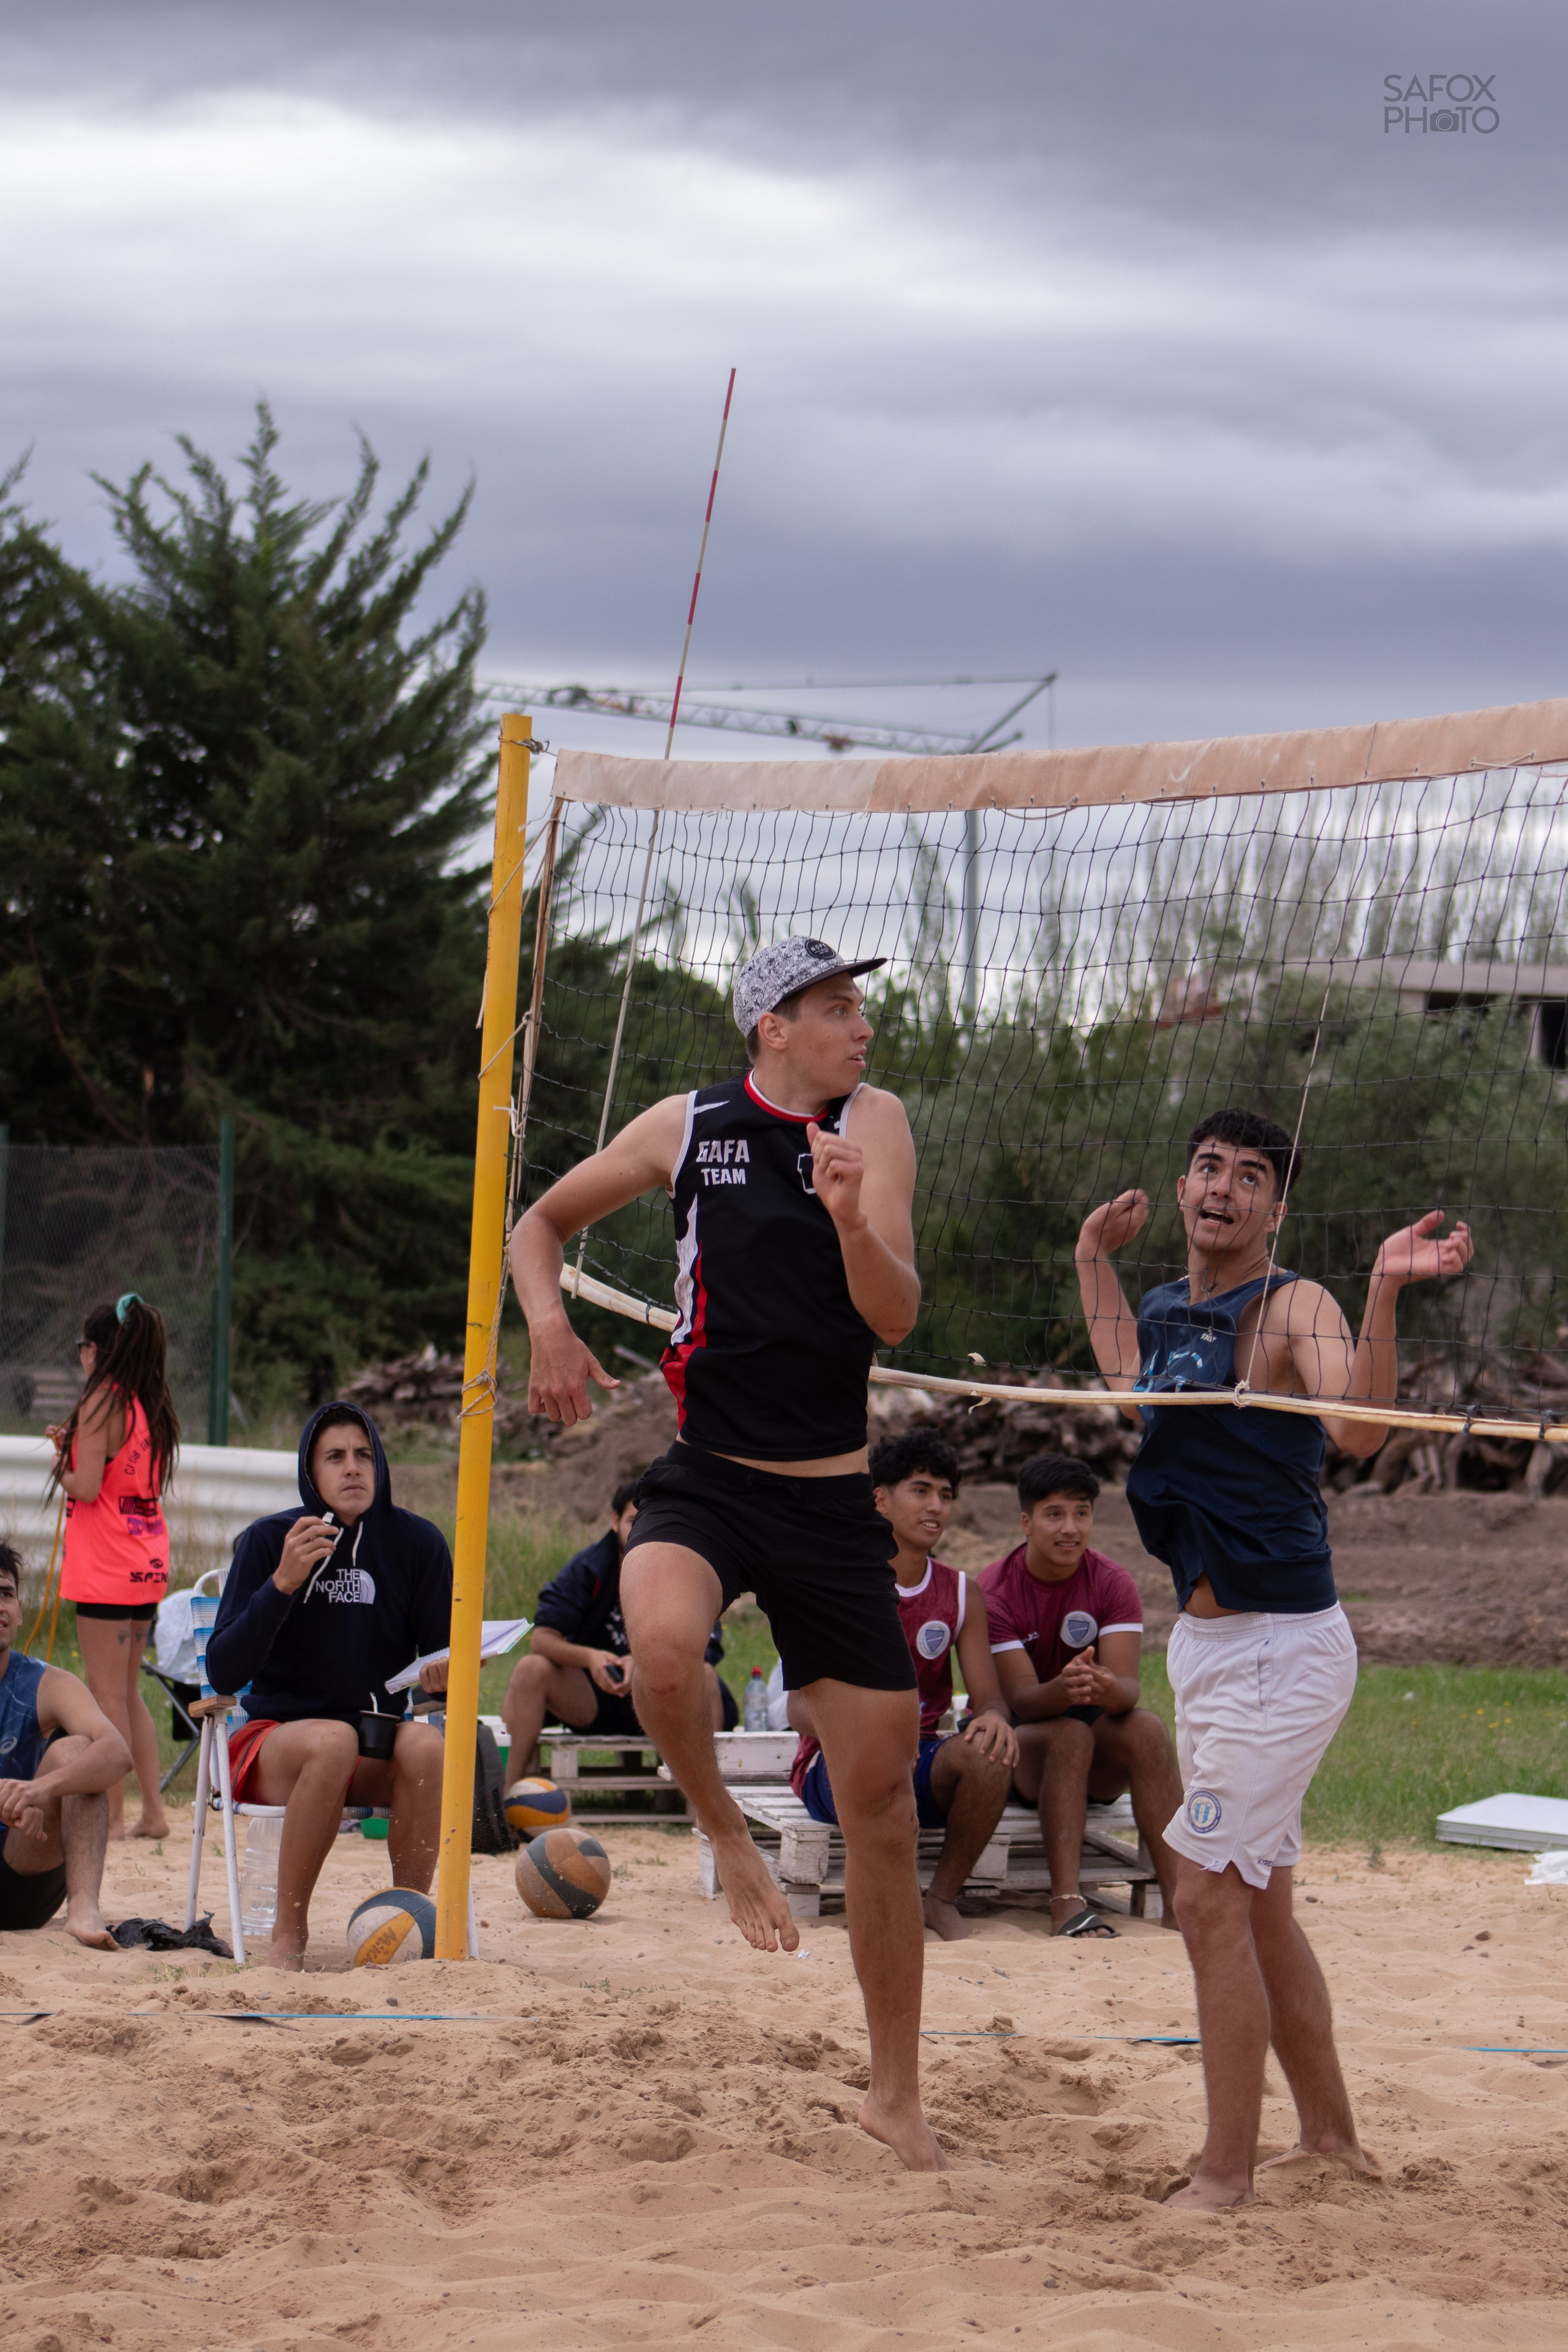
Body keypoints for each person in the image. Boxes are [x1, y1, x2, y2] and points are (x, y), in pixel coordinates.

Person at [511, 935, 946, 2171]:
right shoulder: (686, 1125)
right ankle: (723, 1840)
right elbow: (536, 1226)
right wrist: (547, 1325)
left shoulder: (878, 1124)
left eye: (861, 1005)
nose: (859, 1027)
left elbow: (896, 1312)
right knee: (655, 1650)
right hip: (705, 1476)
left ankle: (894, 2094)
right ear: (773, 1027)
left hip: (824, 1501)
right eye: (835, 1007)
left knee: (876, 1800)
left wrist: (851, 1218)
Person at [1075, 1103, 1472, 2209]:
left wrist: (1386, 1286)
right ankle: (1332, 2139)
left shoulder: (1295, 1302)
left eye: (1249, 1177)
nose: (1222, 1188)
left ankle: (1224, 2175)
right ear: (1185, 1182)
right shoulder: (1164, 1306)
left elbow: (1355, 1431)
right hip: (1208, 1650)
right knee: (1258, 1907)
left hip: (1285, 1652)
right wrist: (1088, 1256)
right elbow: (1124, 1382)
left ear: (1275, 1209)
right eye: (1208, 1167)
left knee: (1200, 1895)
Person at [206, 1404, 452, 1970]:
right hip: (271, 1744)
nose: (353, 1469)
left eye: (364, 1455)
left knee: (424, 1746)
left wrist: (446, 1677)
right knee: (330, 1741)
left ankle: (410, 1917)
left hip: (371, 1741)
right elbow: (222, 1671)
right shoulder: (271, 1540)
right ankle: (288, 1934)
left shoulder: (418, 1545)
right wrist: (283, 1583)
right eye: (335, 1457)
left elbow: (440, 1665)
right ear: (310, 1471)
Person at [788, 1430, 1017, 1942]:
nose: (936, 1506)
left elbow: (990, 1701)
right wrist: (873, 1733)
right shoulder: (833, 1583)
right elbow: (800, 1708)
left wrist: (996, 1719)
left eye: (946, 1494)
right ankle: (883, 1905)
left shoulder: (961, 1591)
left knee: (992, 1751)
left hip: (922, 1758)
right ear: (880, 1499)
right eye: (921, 1490)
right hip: (838, 1761)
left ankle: (940, 1900)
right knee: (883, 1756)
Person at [979, 1452, 1180, 1938]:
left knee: (1147, 1727)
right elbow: (1023, 1701)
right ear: (1027, 1523)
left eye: (1082, 1513)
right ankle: (1067, 1903)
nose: (1070, 1528)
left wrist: (1110, 1690)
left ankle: (1181, 1900)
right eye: (1054, 1515)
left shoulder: (1112, 1582)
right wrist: (1065, 1688)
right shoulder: (994, 1589)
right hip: (1021, 1751)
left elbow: (1128, 1691)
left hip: (1093, 1751)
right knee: (1070, 1734)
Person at [48, 1293, 179, 1841]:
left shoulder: (101, 1400)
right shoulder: (144, 1401)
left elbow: (88, 1485)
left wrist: (62, 1463)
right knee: (127, 1694)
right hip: (144, 1560)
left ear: (96, 1349)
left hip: (106, 1565)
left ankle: (116, 1816)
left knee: (105, 1697)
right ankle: (151, 1811)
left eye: (83, 1345)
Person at [500, 1477, 733, 1773]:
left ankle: (706, 1807)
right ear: (614, 1521)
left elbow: (708, 1644)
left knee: (705, 1673)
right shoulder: (589, 1568)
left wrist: (645, 1663)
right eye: (633, 1520)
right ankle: (502, 1798)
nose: (640, 1530)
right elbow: (542, 1639)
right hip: (595, 1696)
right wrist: (590, 1658)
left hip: (665, 1697)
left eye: (650, 1521)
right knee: (530, 1669)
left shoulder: (687, 1569)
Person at [0, 1540, 130, 1948]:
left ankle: (83, 1909)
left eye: (4, 1594)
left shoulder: (46, 1683)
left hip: (20, 1877)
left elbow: (117, 1754)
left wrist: (43, 1789)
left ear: (20, 1611)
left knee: (78, 1754)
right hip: (19, 1827)